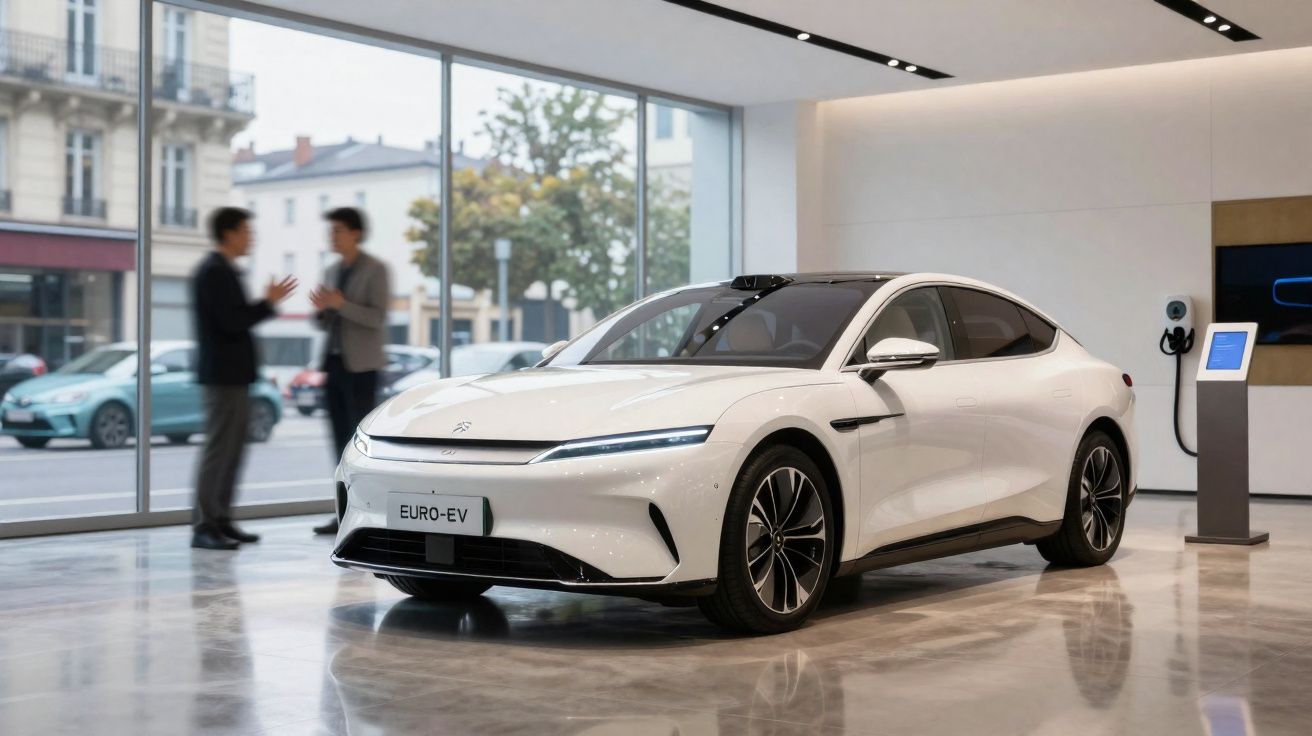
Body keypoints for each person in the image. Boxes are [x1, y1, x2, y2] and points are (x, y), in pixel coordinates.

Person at [191, 207, 297, 550]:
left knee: (232, 451)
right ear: (229, 233)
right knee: (219, 450)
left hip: (234, 376)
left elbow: (235, 319)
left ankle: (221, 519)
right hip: (222, 376)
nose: (251, 238)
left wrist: (265, 303)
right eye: (246, 231)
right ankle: (205, 525)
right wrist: (268, 303)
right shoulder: (213, 272)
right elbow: (231, 322)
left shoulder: (225, 270)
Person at [310, 207, 391, 536]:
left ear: (355, 233)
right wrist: (322, 311)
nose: (332, 236)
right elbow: (326, 321)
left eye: (338, 230)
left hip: (361, 368)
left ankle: (363, 514)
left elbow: (377, 318)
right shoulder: (331, 271)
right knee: (337, 443)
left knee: (356, 445)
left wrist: (340, 305)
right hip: (334, 365)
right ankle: (342, 513)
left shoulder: (375, 270)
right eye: (331, 231)